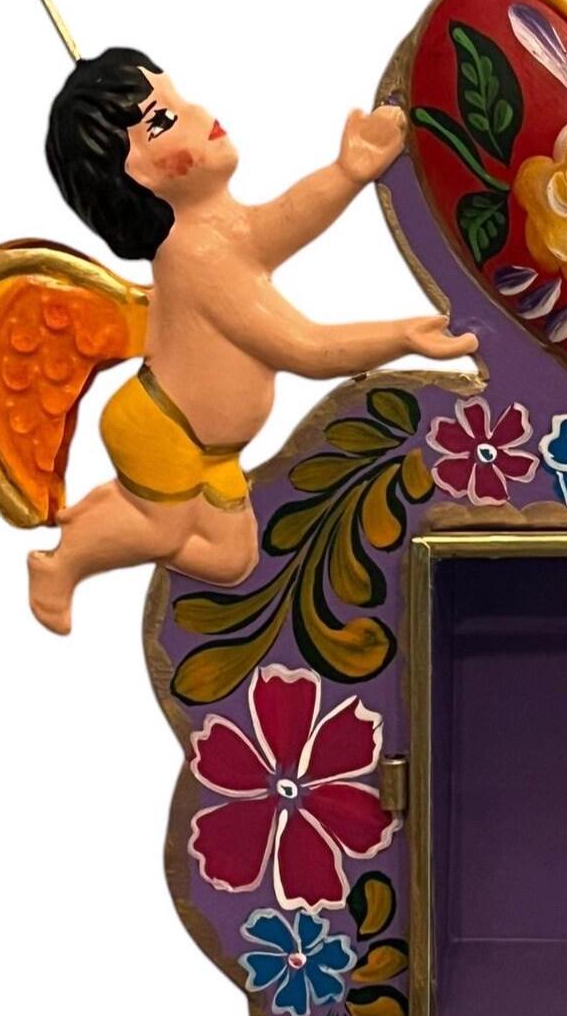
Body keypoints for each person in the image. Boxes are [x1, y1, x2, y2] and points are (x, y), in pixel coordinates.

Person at [27, 49, 475, 633]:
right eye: (163, 121)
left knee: (231, 560)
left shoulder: (216, 231)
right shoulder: (196, 259)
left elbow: (282, 221)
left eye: (178, 97)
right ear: (139, 174)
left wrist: (348, 172)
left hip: (210, 450)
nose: (199, 113)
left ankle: (117, 509)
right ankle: (65, 561)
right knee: (163, 530)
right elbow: (305, 348)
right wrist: (402, 336)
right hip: (164, 430)